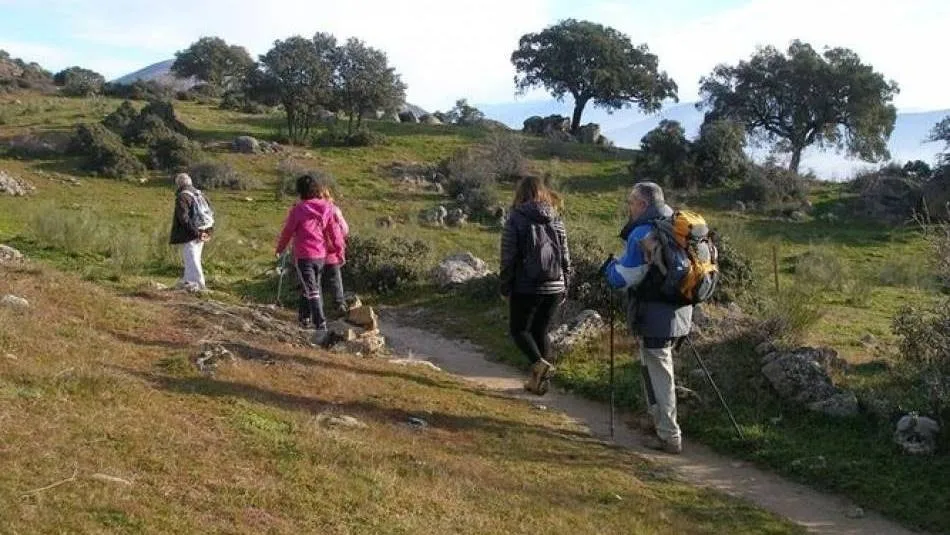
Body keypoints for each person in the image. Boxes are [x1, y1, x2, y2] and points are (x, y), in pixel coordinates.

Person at [604, 182, 692, 454]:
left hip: (654, 313)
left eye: (631, 202)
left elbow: (625, 278)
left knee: (658, 371)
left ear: (642, 204)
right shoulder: (676, 224)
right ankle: (659, 424)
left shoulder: (644, 232)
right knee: (656, 367)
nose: (629, 207)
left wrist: (609, 269)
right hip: (681, 311)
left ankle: (669, 435)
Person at [499, 175, 572, 395]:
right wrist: (565, 283)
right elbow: (565, 256)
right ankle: (539, 383)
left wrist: (505, 286)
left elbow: (508, 257)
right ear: (543, 192)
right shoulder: (556, 218)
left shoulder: (515, 219)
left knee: (519, 330)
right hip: (555, 285)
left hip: (526, 286)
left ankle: (539, 366)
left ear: (520, 193)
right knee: (540, 331)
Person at [275, 175, 345, 344]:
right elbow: (334, 232)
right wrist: (339, 251)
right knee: (311, 288)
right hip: (320, 255)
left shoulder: (298, 210)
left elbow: (288, 231)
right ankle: (304, 318)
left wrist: (280, 248)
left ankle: (320, 324)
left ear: (300, 191)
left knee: (312, 290)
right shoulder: (327, 207)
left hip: (304, 256)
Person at [169, 173, 211, 291]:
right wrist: (207, 232)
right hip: (202, 230)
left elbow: (184, 218)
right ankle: (188, 281)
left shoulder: (183, 197)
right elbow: (209, 213)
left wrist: (195, 233)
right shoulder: (200, 194)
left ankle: (198, 284)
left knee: (191, 257)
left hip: (190, 233)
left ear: (179, 184)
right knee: (194, 257)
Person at [315, 180, 350, 317]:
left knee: (316, 283)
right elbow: (344, 230)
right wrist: (340, 250)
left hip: (314, 253)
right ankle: (339, 303)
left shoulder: (307, 210)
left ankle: (318, 310)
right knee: (335, 279)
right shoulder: (334, 210)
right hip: (331, 253)